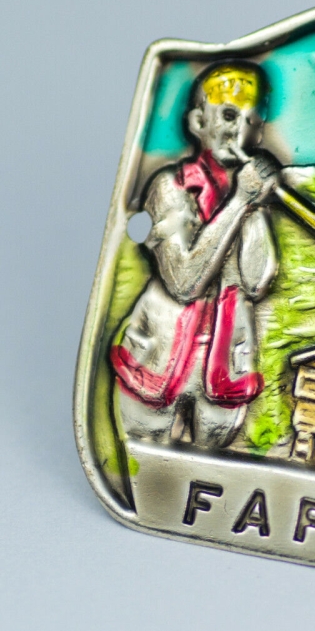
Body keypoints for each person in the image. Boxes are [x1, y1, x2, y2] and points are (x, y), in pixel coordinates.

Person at [111, 61, 279, 448]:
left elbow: (257, 282)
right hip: (159, 357)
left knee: (215, 462)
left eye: (251, 121)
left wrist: (255, 207)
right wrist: (240, 201)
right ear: (198, 122)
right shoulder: (170, 186)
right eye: (229, 115)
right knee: (144, 457)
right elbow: (183, 282)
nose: (239, 131)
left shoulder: (249, 195)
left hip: (225, 364)